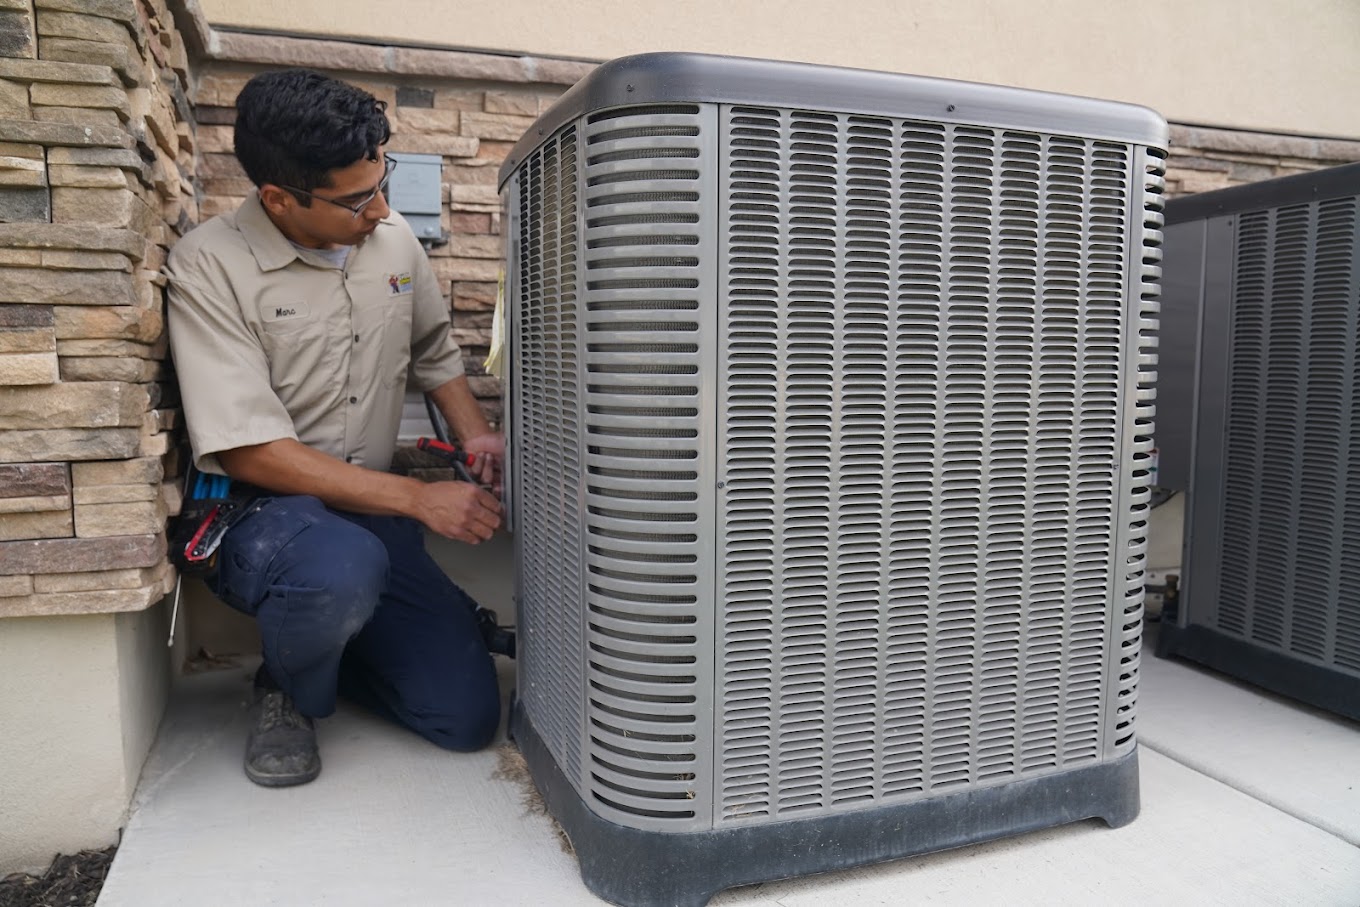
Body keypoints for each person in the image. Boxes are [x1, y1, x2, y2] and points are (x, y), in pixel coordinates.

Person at [165, 69, 505, 788]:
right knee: (336, 568)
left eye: (385, 179)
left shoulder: (393, 243)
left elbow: (431, 350)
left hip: (366, 517)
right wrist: (417, 499)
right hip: (261, 515)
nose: (383, 211)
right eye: (357, 199)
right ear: (279, 197)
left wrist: (475, 431)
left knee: (465, 717)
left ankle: (334, 645)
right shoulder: (211, 265)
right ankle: (286, 686)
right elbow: (249, 447)